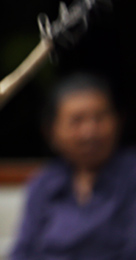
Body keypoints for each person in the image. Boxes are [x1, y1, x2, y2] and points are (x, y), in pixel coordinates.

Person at [10, 73, 136, 260]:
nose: (90, 132)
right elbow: (22, 252)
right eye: (77, 121)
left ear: (119, 121)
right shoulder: (43, 184)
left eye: (100, 118)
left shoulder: (131, 175)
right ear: (51, 132)